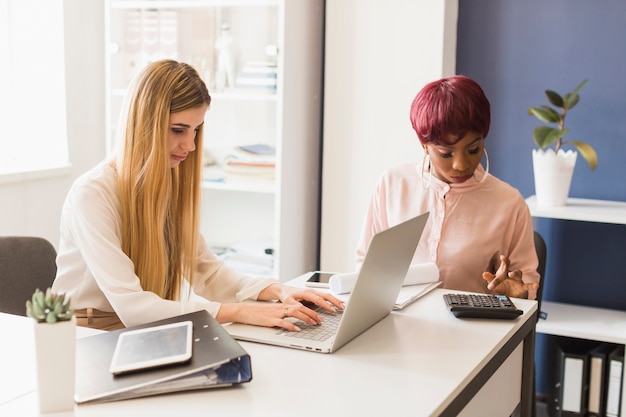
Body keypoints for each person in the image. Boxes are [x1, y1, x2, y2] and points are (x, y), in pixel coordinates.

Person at [52, 59, 343, 331]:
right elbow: (133, 306)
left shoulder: (164, 183)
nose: (190, 145)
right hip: (86, 333)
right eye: (179, 130)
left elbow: (205, 270)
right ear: (144, 125)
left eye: (196, 130)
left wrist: (277, 290)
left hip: (145, 329)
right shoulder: (91, 195)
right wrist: (238, 312)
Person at [355, 75, 540, 299]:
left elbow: (527, 282)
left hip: (473, 331)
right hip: (398, 325)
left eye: (473, 149)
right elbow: (366, 264)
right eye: (445, 153)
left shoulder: (509, 203)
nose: (461, 165)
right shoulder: (393, 184)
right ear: (424, 146)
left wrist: (515, 295)